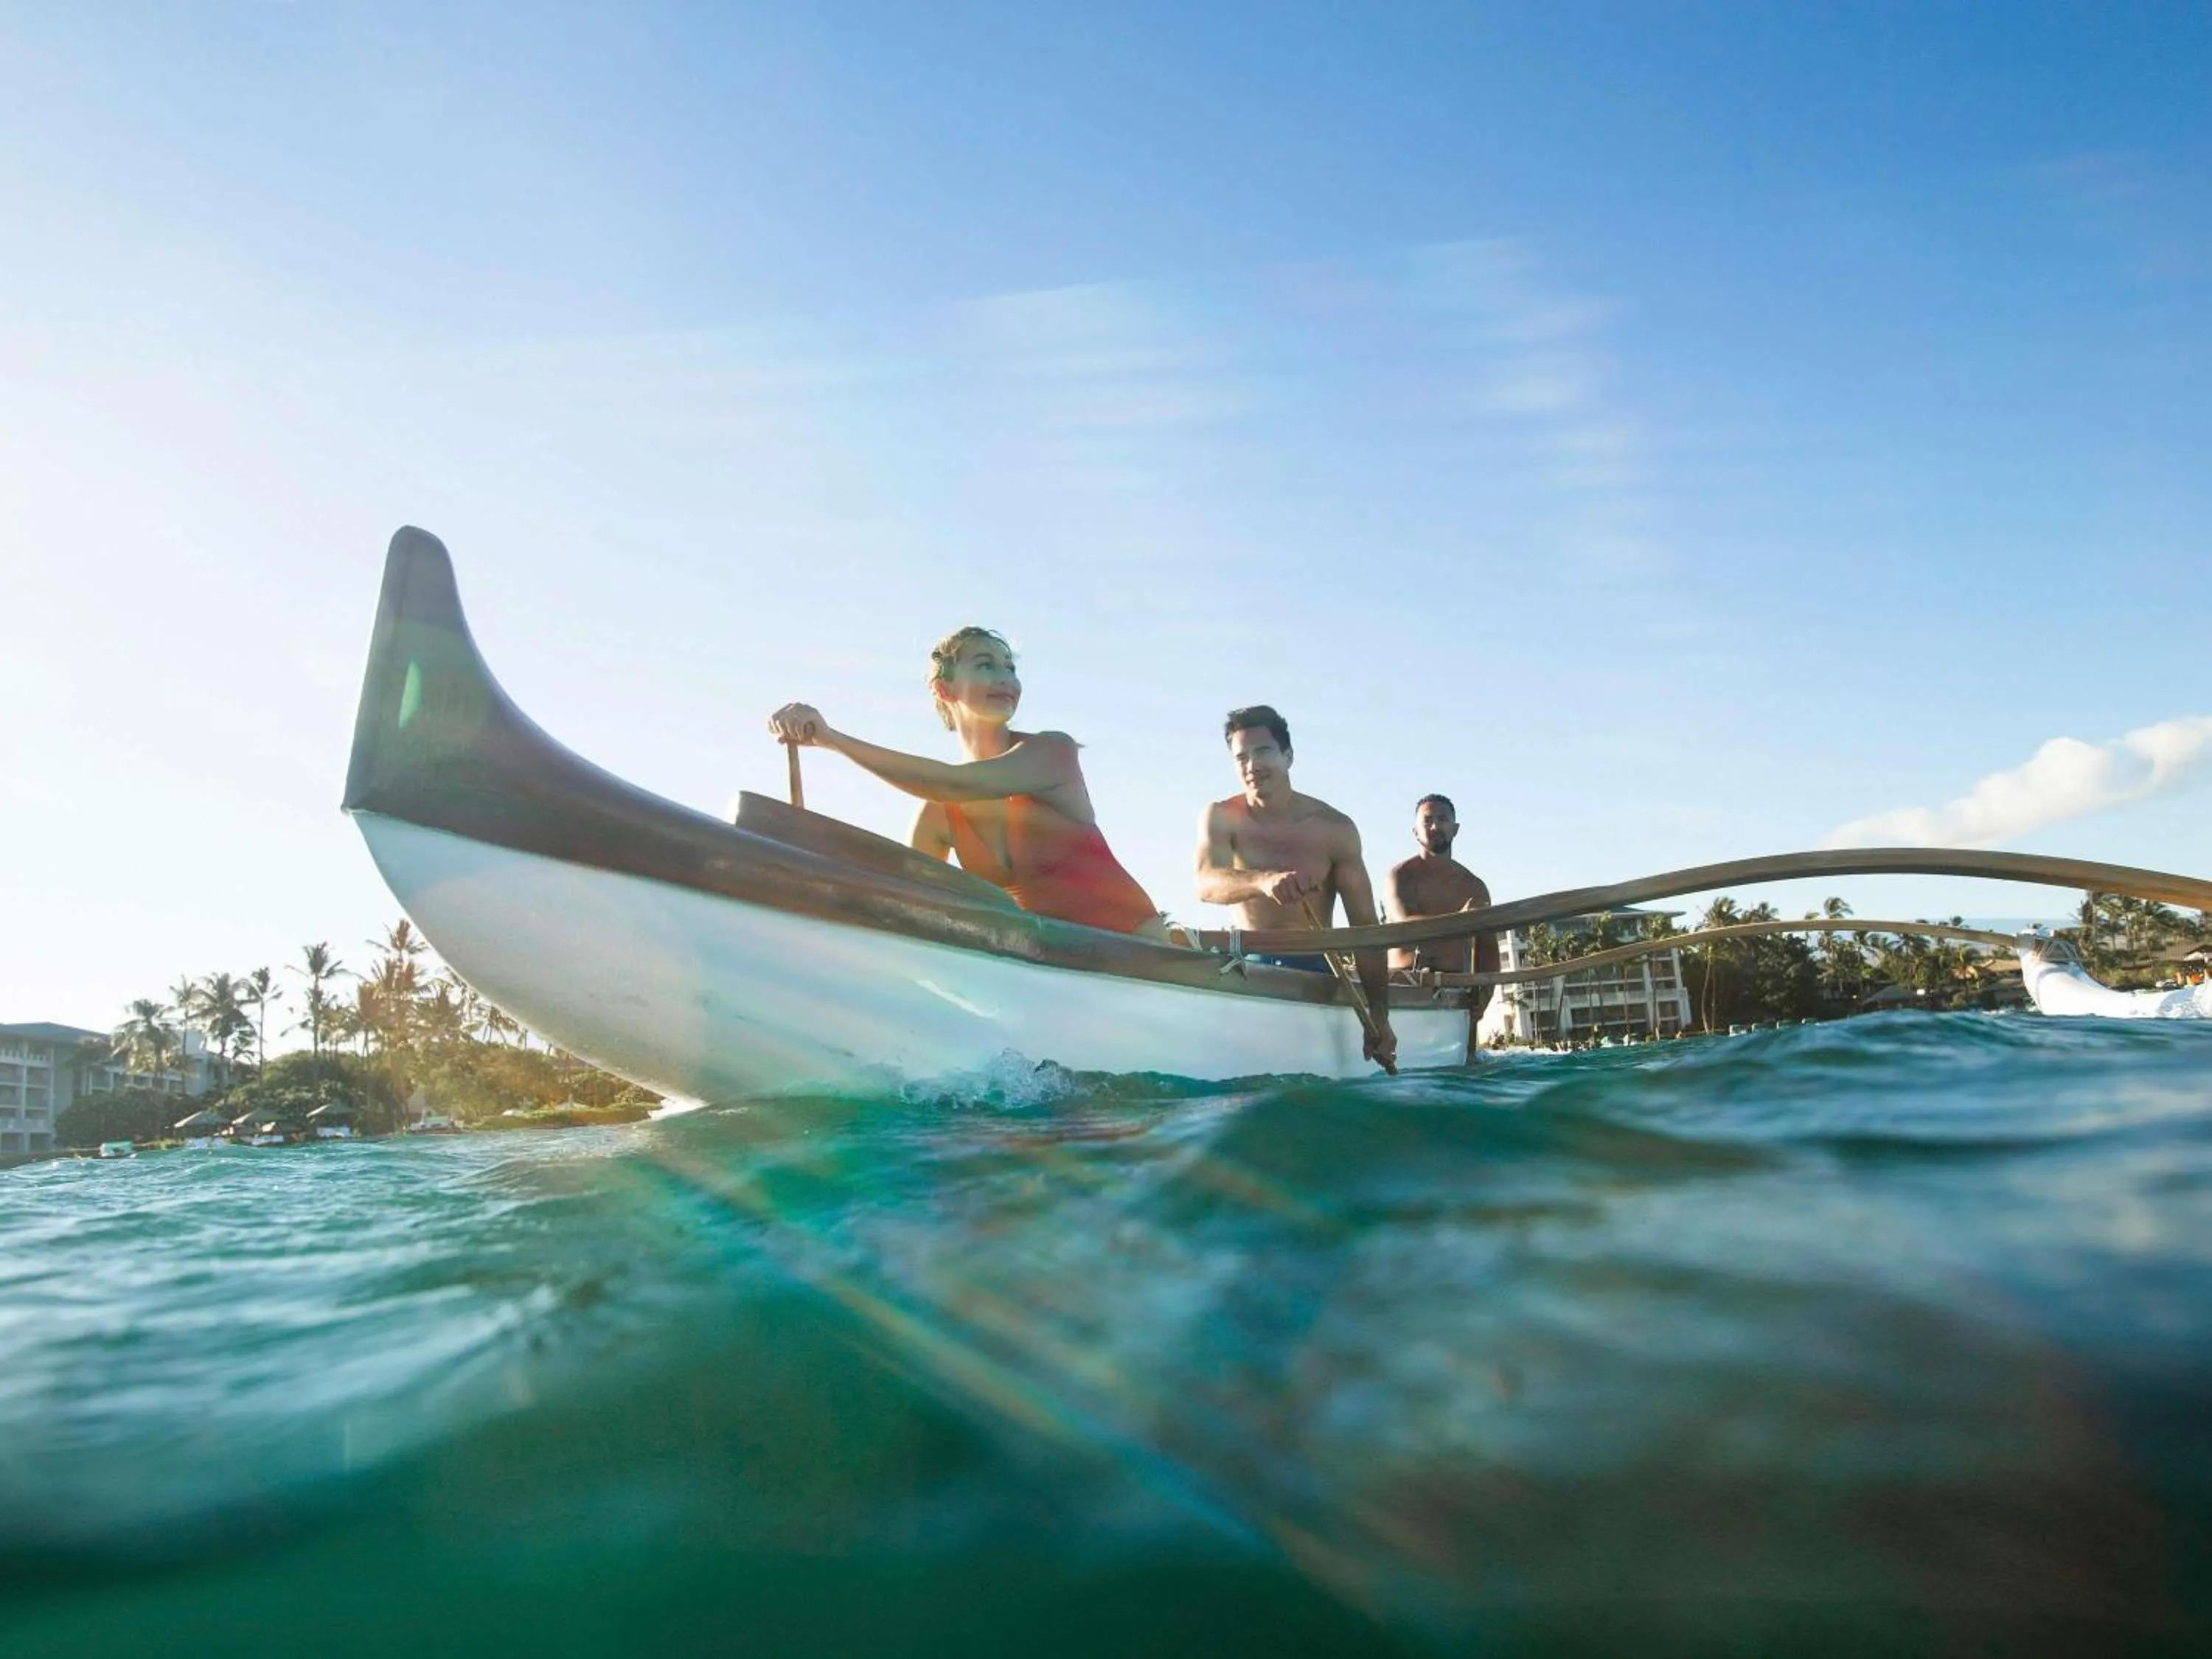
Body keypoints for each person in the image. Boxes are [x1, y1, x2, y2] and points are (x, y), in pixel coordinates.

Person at [768, 627, 1172, 939]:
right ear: (944, 688)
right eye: (985, 665)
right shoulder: (938, 815)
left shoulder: (1054, 753)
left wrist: (832, 739)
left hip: (1140, 957)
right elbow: (910, 900)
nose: (1006, 679)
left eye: (1010, 668)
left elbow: (953, 784)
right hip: (1052, 973)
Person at [1194, 705, 1397, 1069]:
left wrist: (1379, 1013)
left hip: (1318, 967)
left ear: (1288, 756)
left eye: (1264, 751)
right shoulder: (1220, 817)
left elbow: (1366, 928)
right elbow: (1206, 883)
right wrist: (1263, 880)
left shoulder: (1335, 829)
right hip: (1246, 965)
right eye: (1241, 757)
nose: (1252, 765)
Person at [1381, 793, 1499, 1014]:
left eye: (1443, 819)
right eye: (1427, 820)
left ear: (1455, 829)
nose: (1435, 826)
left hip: (1456, 991)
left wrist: (1485, 994)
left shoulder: (1474, 887)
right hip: (1402, 987)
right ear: (1415, 831)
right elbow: (1406, 925)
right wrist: (1462, 920)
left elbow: (1488, 948)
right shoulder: (1400, 876)